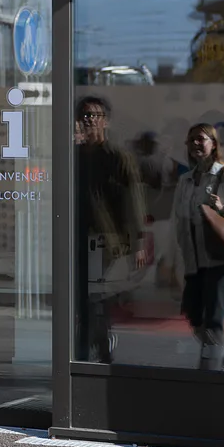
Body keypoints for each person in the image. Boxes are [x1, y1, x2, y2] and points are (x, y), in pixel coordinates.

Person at [75, 96, 147, 362]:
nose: (89, 121)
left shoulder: (118, 158)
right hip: (76, 237)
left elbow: (134, 201)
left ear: (105, 121)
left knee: (97, 299)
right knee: (82, 299)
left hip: (106, 239)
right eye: (85, 116)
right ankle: (86, 351)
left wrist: (138, 242)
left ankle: (99, 352)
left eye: (94, 116)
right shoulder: (74, 156)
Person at [172, 123, 224, 371]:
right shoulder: (185, 180)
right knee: (193, 313)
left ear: (213, 144)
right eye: (191, 139)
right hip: (194, 258)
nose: (195, 144)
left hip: (218, 258)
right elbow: (179, 219)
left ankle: (210, 371)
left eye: (201, 139)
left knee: (213, 318)